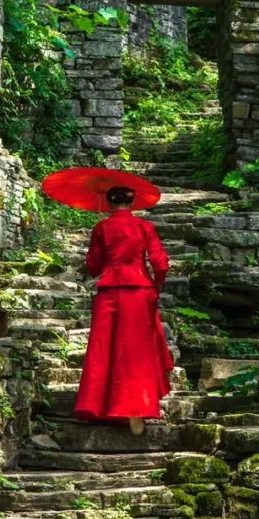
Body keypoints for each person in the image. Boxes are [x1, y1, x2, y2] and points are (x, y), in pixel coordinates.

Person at [73, 185, 173, 435]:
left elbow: (93, 266)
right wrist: (158, 282)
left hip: (110, 290)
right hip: (140, 290)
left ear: (108, 203)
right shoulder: (144, 227)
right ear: (133, 202)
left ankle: (98, 406)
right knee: (137, 349)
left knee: (104, 348)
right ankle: (137, 405)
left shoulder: (102, 228)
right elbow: (160, 262)